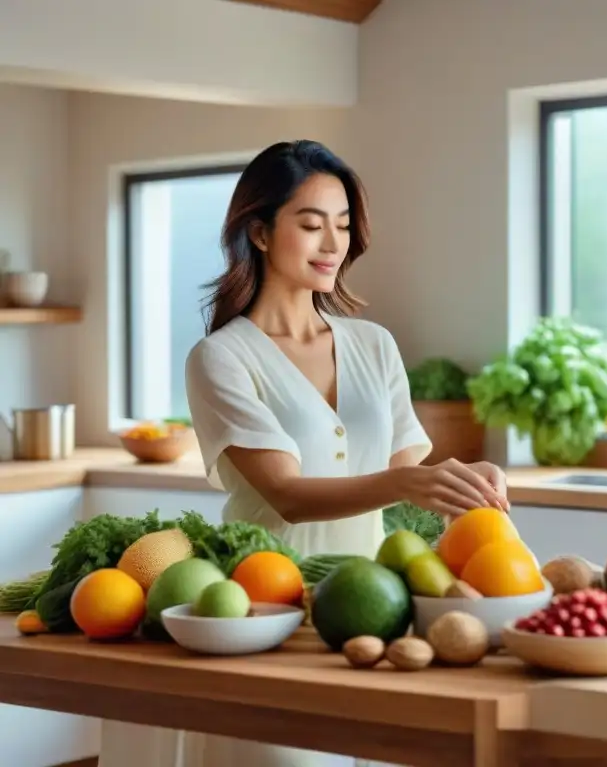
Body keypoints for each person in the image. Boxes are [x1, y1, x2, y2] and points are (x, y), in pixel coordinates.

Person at [96, 140, 509, 767]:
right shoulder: (221, 358)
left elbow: (402, 476)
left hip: (370, 614)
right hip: (264, 611)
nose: (332, 244)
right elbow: (285, 492)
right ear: (259, 232)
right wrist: (409, 486)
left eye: (342, 226)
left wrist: (460, 482)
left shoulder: (374, 344)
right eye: (312, 224)